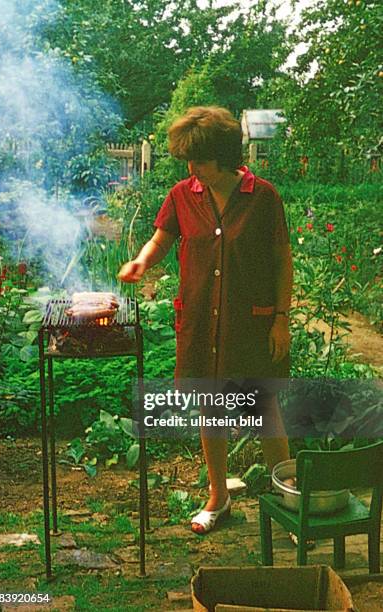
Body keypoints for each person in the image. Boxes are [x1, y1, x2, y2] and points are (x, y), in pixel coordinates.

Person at [118, 106, 292, 535]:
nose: (192, 169)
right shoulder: (182, 195)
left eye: (199, 160)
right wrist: (142, 261)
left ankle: (290, 500)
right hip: (199, 320)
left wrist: (281, 318)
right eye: (187, 161)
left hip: (251, 322)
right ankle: (220, 497)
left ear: (224, 155)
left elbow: (281, 260)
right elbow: (162, 236)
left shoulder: (263, 196)